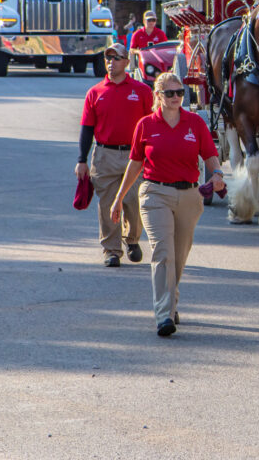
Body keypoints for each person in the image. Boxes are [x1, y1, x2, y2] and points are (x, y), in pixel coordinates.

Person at [111, 72, 225, 337]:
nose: (176, 98)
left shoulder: (195, 123)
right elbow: (135, 163)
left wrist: (217, 174)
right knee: (163, 253)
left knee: (179, 256)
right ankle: (163, 315)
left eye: (180, 93)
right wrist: (119, 198)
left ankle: (171, 301)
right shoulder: (146, 125)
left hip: (189, 196)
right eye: (170, 93)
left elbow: (210, 155)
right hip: (154, 194)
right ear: (158, 96)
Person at [75, 42, 154, 267]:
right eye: (107, 58)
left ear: (126, 62)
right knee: (107, 203)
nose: (110, 62)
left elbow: (151, 125)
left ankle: (132, 239)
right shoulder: (95, 92)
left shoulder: (142, 91)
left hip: (134, 156)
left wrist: (151, 155)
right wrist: (81, 159)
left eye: (116, 58)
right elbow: (86, 128)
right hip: (104, 155)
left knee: (133, 201)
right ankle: (111, 250)